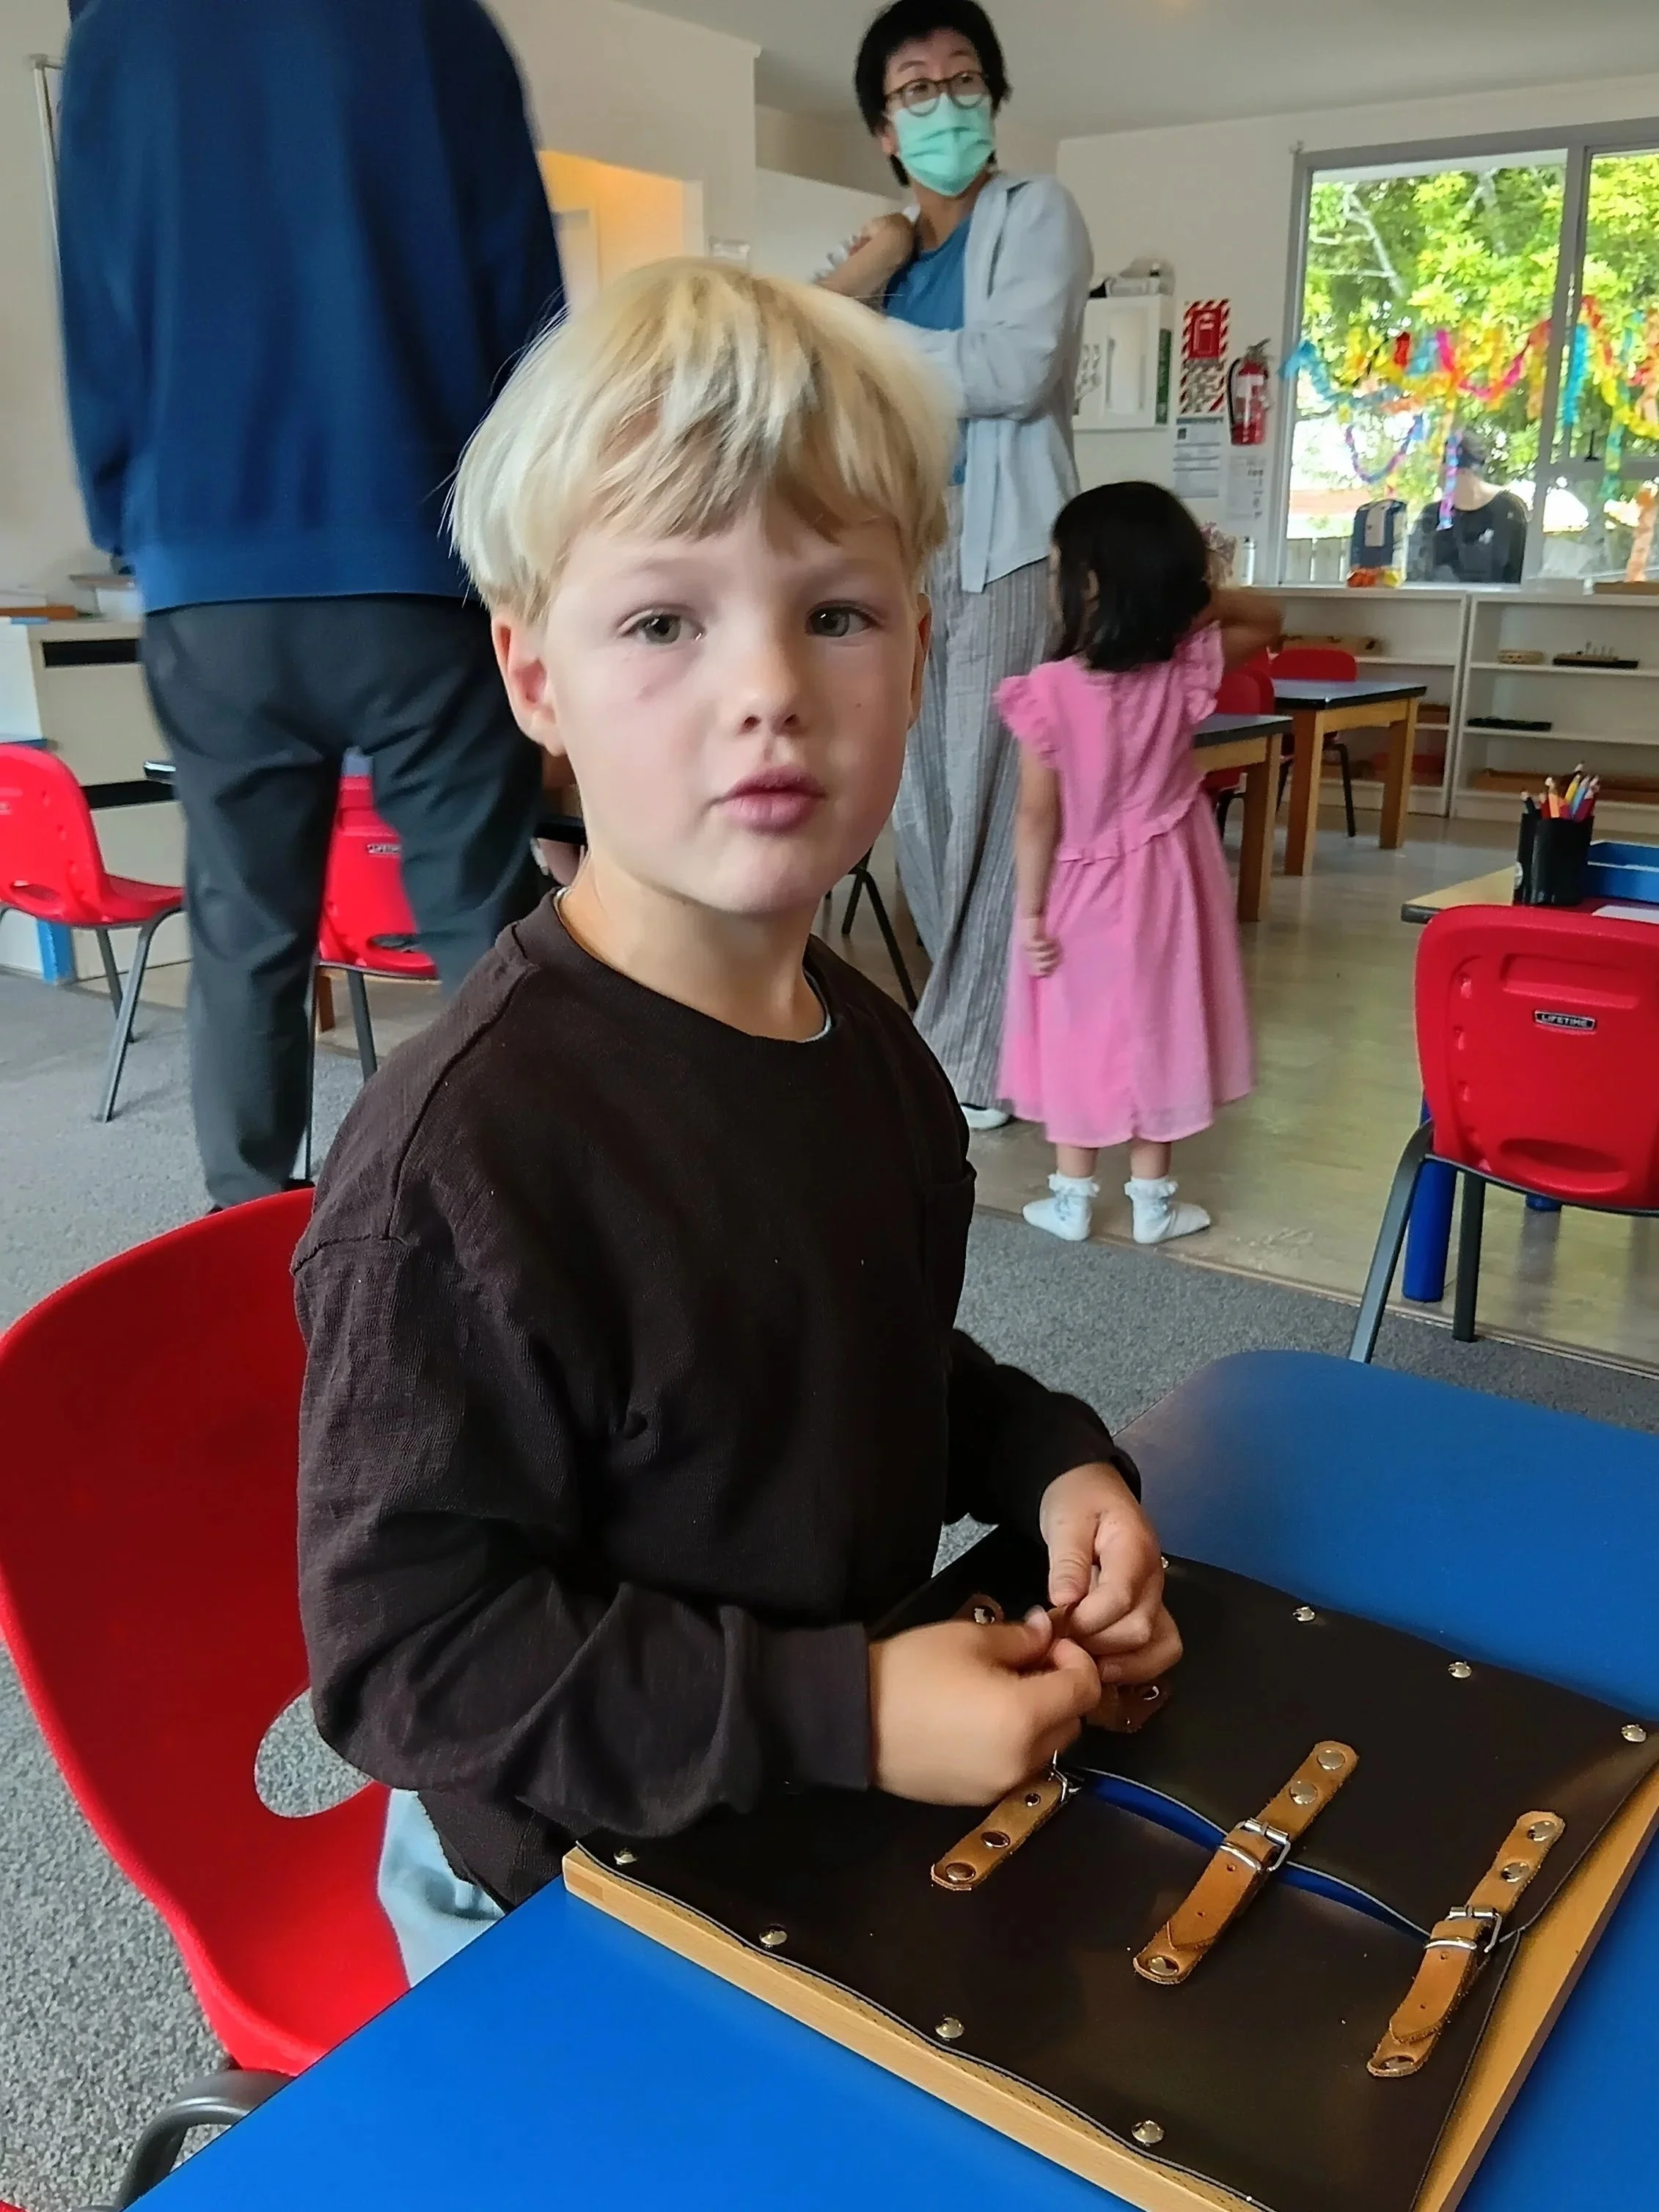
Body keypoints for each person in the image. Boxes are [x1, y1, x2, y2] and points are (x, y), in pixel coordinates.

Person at [293, 260, 1180, 1982]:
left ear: (921, 646)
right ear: (534, 673)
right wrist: (841, 1703)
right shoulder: (465, 1169)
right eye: (664, 621)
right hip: (560, 1879)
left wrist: (1047, 1456)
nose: (767, 684)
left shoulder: (872, 1048)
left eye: (836, 611)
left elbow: (852, 1367)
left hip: (800, 1793)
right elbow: (408, 1661)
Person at [56, 0, 564, 1209]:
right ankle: (536, 1217)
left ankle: (249, 1236)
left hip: (210, 566)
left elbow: (98, 301)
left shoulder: (123, 35)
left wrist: (134, 519)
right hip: (418, 548)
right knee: (482, 921)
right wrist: (531, 539)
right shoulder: (443, 28)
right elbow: (527, 318)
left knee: (243, 936)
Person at [821, 2, 1094, 1129]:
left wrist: (861, 324)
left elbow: (1015, 370)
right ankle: (973, 1035)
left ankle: (966, 1063)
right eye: (916, 89)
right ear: (885, 128)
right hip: (900, 558)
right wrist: (874, 266)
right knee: (923, 810)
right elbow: (802, 355)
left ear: (993, 98)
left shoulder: (1035, 212)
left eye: (963, 78)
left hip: (1007, 552)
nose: (945, 102)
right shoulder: (888, 256)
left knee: (988, 804)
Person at [999, 483, 1282, 1248]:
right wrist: (1191, 603)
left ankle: (1072, 1199)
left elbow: (1036, 814)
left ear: (1088, 585)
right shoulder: (1183, 670)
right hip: (1169, 884)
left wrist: (1029, 912)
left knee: (1077, 1029)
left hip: (1077, 886)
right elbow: (1267, 615)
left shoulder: (1048, 692)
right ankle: (1154, 1202)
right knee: (1158, 1025)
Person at [1408, 431, 1529, 585]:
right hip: (1439, 607)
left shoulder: (1509, 512)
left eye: (1445, 465)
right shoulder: (1432, 517)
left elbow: (1523, 575)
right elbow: (1414, 574)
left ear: (1466, 472)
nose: (1439, 472)